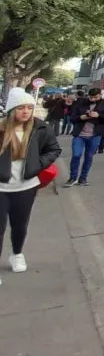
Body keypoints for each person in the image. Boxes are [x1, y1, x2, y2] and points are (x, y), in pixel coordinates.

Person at [0, 88, 61, 284]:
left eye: (29, 107)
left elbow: (54, 149)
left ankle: (17, 254)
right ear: (11, 110)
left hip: (26, 187)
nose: (26, 112)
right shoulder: (1, 130)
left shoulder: (40, 128)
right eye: (20, 108)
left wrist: (37, 165)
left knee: (20, 226)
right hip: (1, 188)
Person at [65, 88, 104, 187]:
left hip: (95, 135)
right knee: (76, 155)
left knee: (89, 157)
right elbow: (72, 118)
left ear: (100, 95)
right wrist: (80, 117)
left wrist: (98, 115)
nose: (93, 99)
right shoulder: (80, 103)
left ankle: (83, 178)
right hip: (80, 134)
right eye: (91, 97)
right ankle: (72, 178)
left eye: (96, 97)